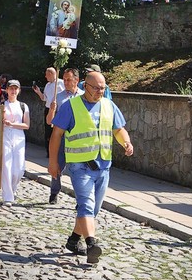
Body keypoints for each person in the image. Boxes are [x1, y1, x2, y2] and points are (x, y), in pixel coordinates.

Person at [49, 71, 134, 263]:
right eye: (96, 88)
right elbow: (56, 135)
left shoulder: (109, 105)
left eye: (103, 88)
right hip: (80, 166)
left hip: (103, 166)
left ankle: (73, 240)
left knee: (93, 209)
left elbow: (118, 129)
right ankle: (91, 244)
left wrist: (126, 142)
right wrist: (53, 162)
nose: (99, 92)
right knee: (86, 205)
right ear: (85, 86)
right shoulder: (70, 106)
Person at [45, 68, 84, 204]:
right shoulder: (58, 97)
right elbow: (49, 121)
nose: (66, 82)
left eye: (69, 80)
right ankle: (54, 192)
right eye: (65, 79)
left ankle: (81, 198)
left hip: (78, 139)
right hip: (61, 138)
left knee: (79, 170)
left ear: (76, 80)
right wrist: (52, 109)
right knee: (57, 166)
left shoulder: (84, 97)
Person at [1, 80, 30, 206]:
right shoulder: (2, 104)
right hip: (5, 135)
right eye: (11, 88)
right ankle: (7, 196)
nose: (13, 91)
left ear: (19, 90)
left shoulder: (23, 106)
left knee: (18, 169)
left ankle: (12, 189)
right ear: (7, 90)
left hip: (18, 135)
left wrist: (13, 124)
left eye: (15, 89)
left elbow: (26, 125)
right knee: (6, 166)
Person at [32, 67, 64, 157]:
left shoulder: (61, 83)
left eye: (46, 74)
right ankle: (49, 151)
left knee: (57, 130)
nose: (45, 76)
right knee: (48, 130)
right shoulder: (47, 85)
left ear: (50, 74)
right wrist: (38, 92)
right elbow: (44, 98)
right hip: (48, 109)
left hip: (57, 109)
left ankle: (58, 151)